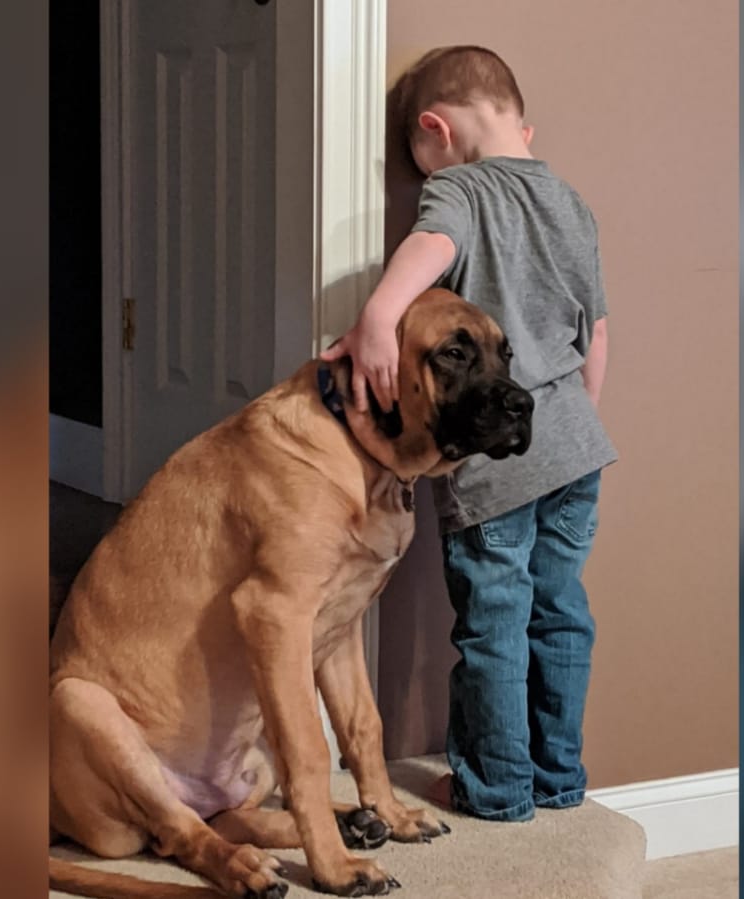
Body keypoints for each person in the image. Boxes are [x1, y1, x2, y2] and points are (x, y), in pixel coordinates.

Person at [322, 45, 616, 822]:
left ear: (435, 131)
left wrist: (380, 315)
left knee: (494, 618)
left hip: (499, 466)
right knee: (561, 611)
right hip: (578, 446)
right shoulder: (572, 202)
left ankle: (497, 788)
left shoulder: (460, 189)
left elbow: (433, 247)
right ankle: (559, 777)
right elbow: (599, 338)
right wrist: (573, 425)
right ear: (525, 125)